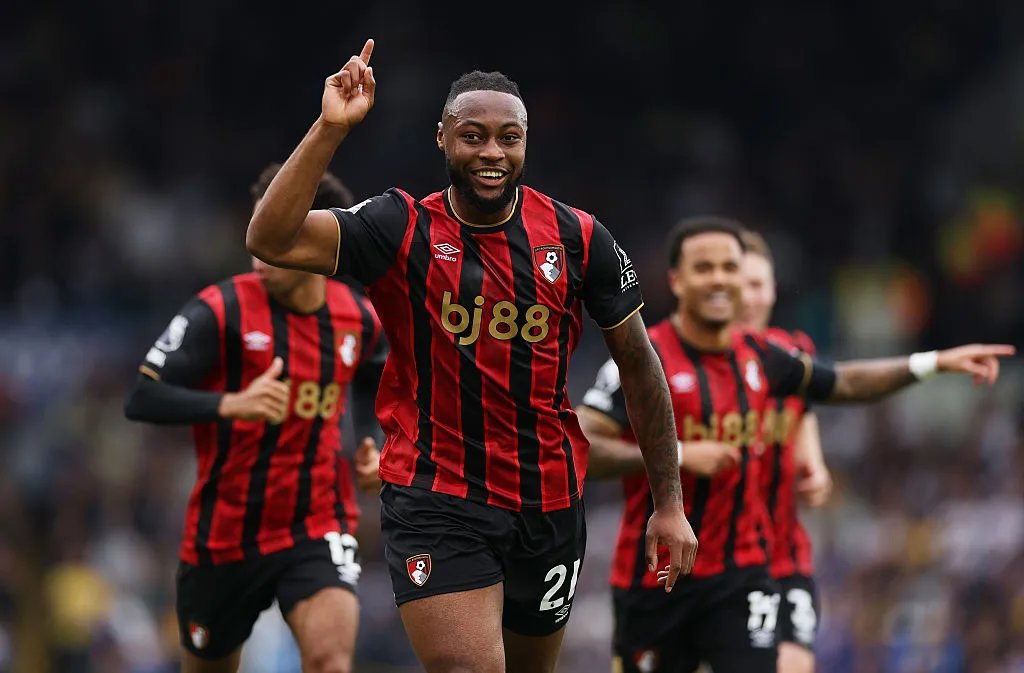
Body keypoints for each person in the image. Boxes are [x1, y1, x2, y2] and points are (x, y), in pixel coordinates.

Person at [244, 39, 699, 673]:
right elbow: (270, 237)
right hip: (437, 496)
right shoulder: (398, 227)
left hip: (548, 501)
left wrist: (668, 502)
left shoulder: (579, 238)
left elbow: (640, 365)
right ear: (442, 139)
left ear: (525, 143)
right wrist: (329, 127)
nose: (491, 153)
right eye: (473, 136)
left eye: (508, 138)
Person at [578, 216, 1013, 673]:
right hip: (653, 583)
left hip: (740, 578)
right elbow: (582, 443)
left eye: (730, 267)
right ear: (676, 281)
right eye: (705, 268)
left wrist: (932, 362)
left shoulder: (763, 357)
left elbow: (842, 381)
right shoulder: (646, 361)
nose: (721, 280)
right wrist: (681, 454)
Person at [123, 164, 387, 673]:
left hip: (318, 524)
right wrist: (228, 404)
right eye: (255, 228)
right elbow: (141, 397)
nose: (258, 248)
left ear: (311, 242)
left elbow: (373, 383)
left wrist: (372, 443)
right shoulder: (219, 310)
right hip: (224, 535)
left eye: (277, 232)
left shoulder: (358, 318)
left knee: (331, 660)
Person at [738, 229, 829, 673]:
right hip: (711, 564)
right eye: (741, 285)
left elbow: (804, 408)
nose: (749, 297)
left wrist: (815, 463)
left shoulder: (794, 353)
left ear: (774, 289)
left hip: (782, 556)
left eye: (759, 285)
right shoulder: (686, 362)